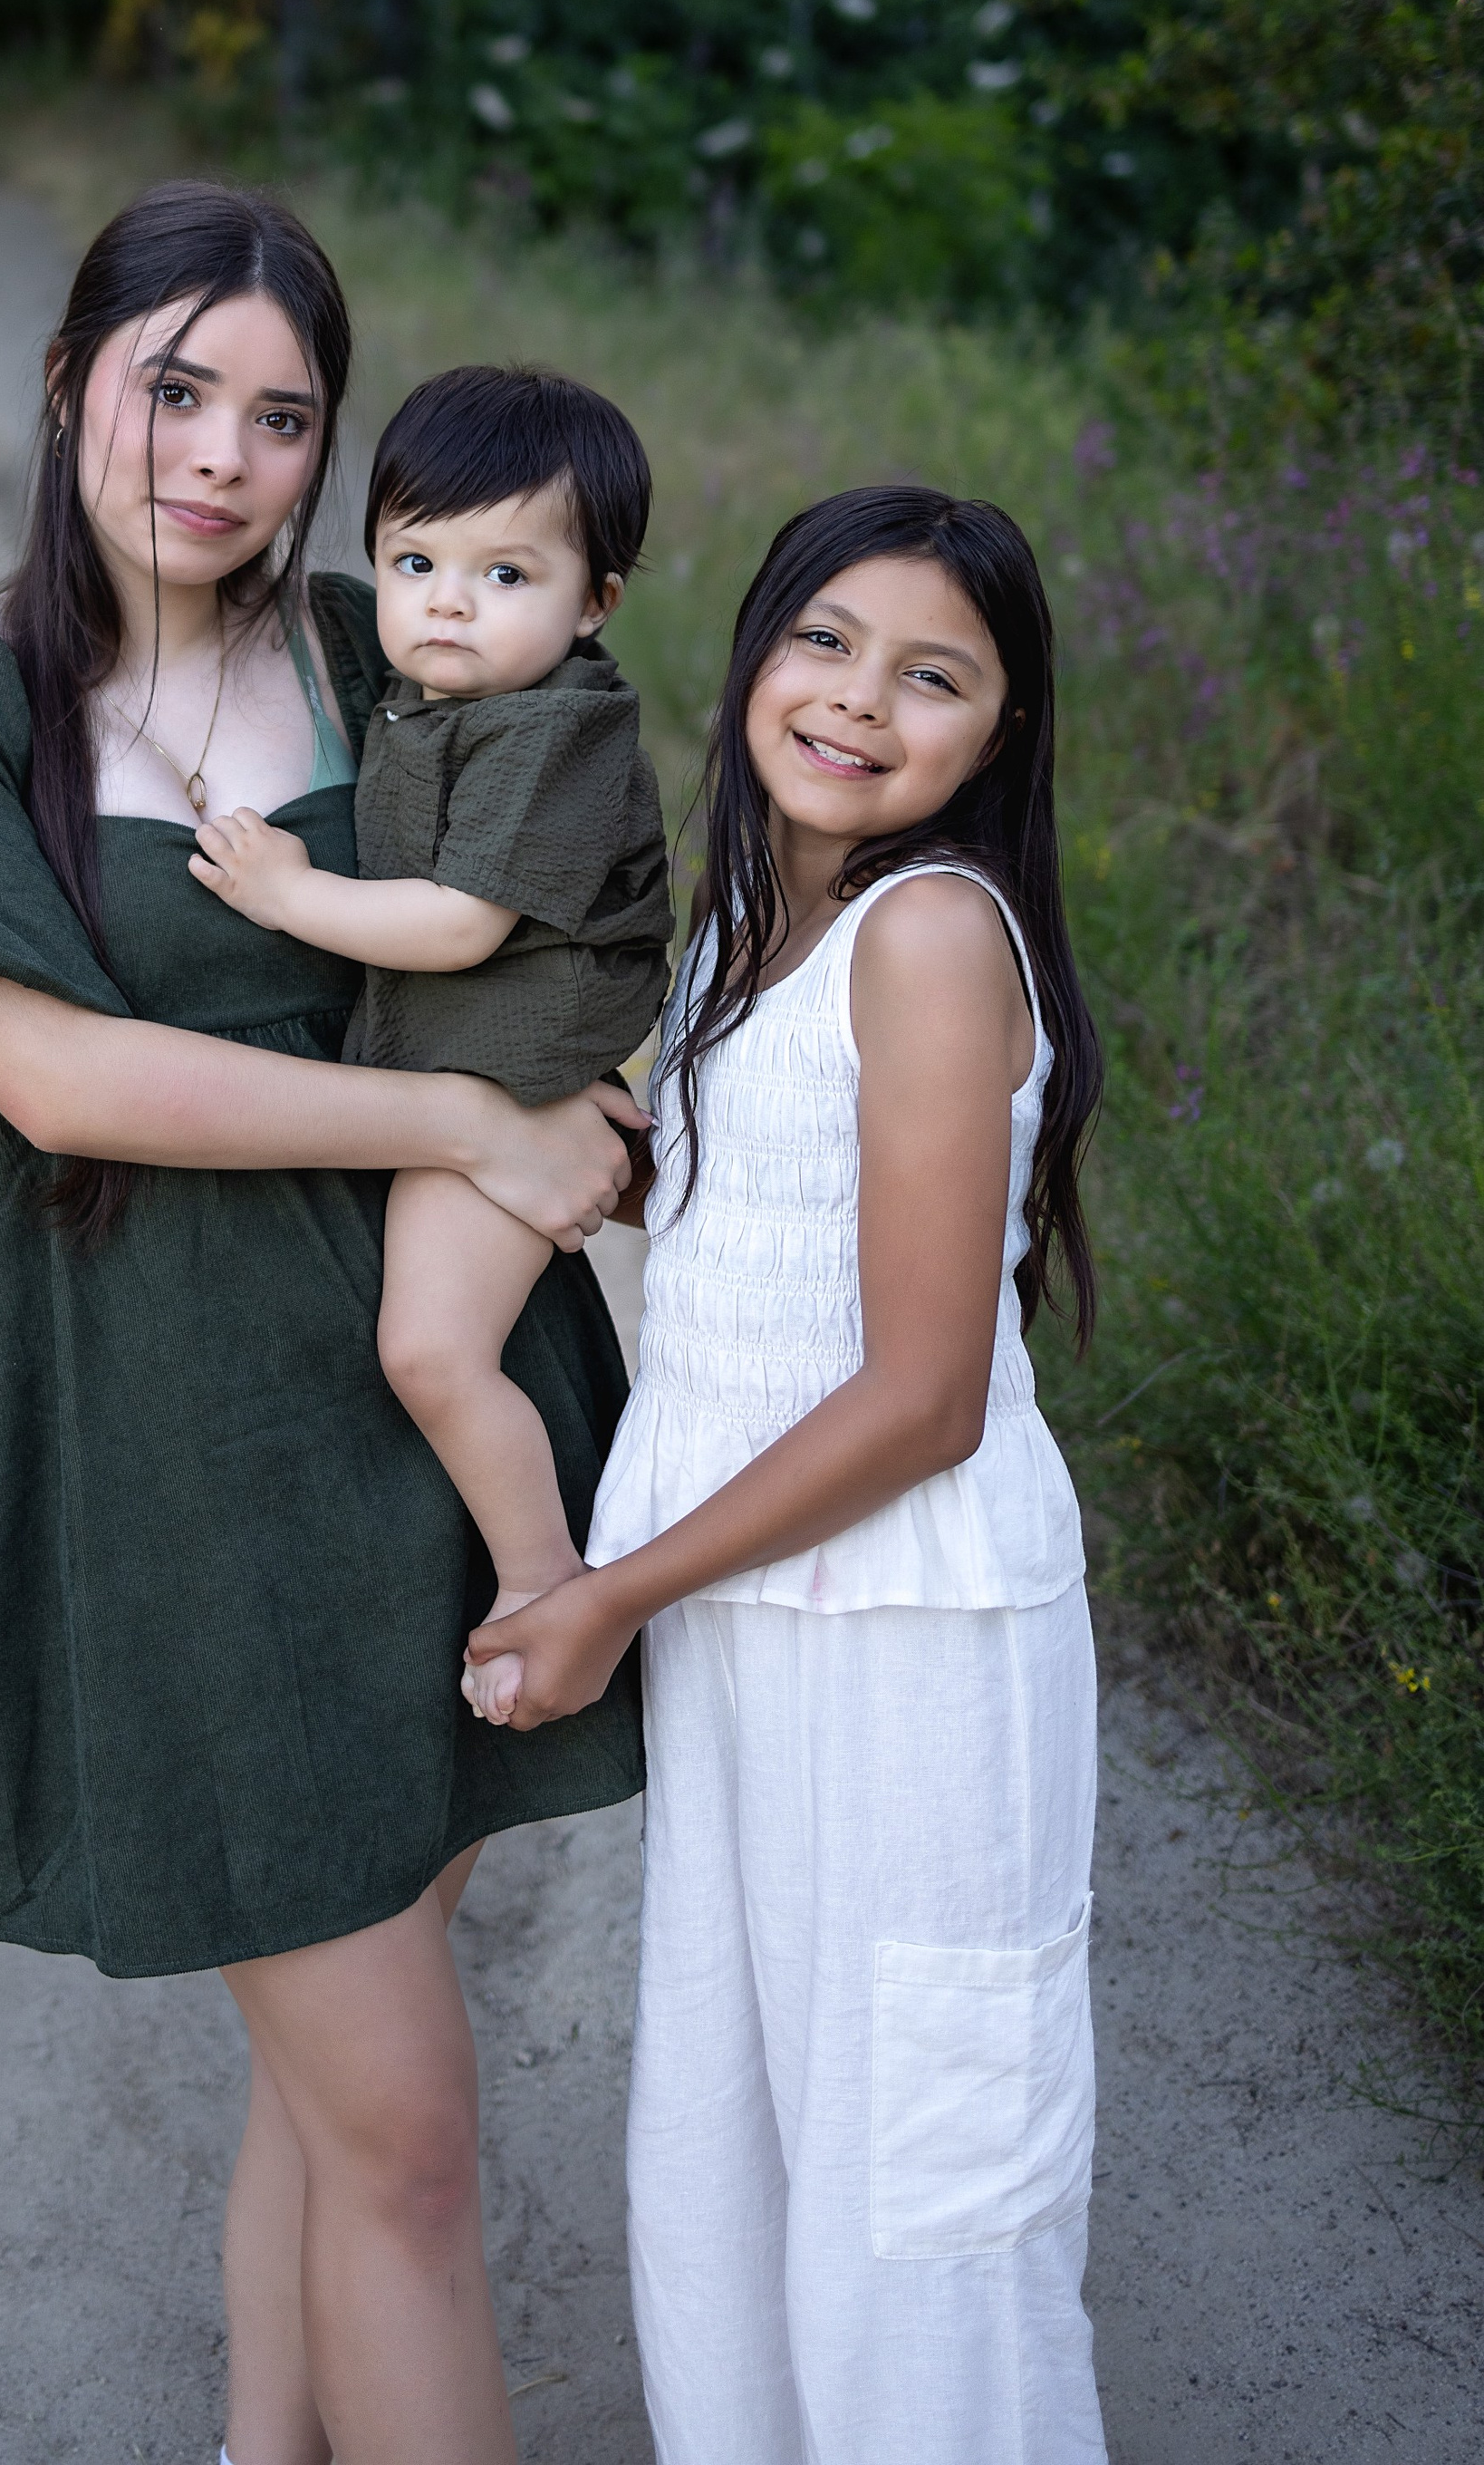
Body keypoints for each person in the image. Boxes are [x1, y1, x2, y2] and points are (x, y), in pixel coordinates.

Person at [0, 181, 648, 2465]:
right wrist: (461, 1123)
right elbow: (52, 1073)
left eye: (283, 415)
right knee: (412, 2141)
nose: (222, 454)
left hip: (450, 1428)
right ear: (75, 379)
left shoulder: (393, 647)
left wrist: (610, 1097)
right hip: (185, 1467)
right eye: (176, 389)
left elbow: (595, 897)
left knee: (335, 2081)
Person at [470, 485, 1109, 2465]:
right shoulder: (766, 927)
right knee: (726, 2144)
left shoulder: (926, 933)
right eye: (822, 639)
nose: (855, 698)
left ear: (994, 732)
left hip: (907, 1646)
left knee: (914, 2200)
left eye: (932, 673)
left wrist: (605, 1587)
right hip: (758, 1625)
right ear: (752, 649)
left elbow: (922, 1391)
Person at [188, 365, 671, 1726]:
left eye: (506, 572)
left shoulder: (555, 726)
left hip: (510, 1067)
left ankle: (540, 1583)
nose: (448, 599)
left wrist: (290, 894)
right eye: (415, 559)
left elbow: (461, 924)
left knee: (432, 1353)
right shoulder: (430, 697)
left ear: (593, 605)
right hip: (463, 1062)